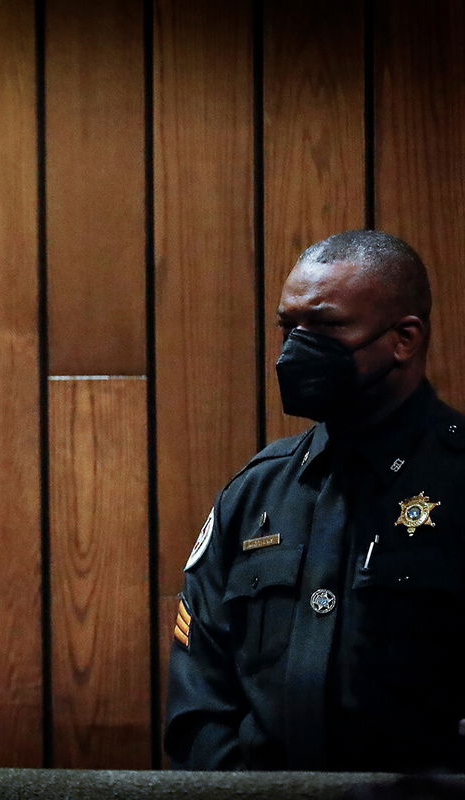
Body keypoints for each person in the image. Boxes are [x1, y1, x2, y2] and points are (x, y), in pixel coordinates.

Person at [166, 229, 465, 771]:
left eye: (326, 327)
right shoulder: (257, 491)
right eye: (288, 327)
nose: (295, 350)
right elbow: (200, 696)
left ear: (404, 338)